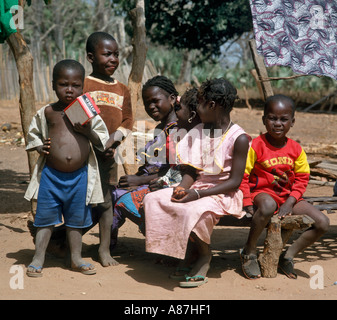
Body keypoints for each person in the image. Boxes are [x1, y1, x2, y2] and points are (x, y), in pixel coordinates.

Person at [143, 78, 251, 287]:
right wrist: (183, 188)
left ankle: (203, 256)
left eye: (199, 103)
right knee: (153, 200)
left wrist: (198, 195)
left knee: (193, 211)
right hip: (198, 188)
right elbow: (192, 171)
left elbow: (235, 182)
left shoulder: (239, 138)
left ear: (211, 105)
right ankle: (183, 251)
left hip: (223, 194)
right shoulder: (199, 131)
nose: (196, 109)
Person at [49, 31, 133, 266]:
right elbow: (72, 113)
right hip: (82, 153)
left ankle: (104, 249)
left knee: (106, 203)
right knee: (78, 202)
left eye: (116, 54)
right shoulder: (81, 84)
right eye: (107, 54)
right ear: (90, 57)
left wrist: (112, 142)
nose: (113, 59)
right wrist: (93, 141)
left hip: (108, 155)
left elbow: (128, 121)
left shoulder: (123, 90)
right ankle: (61, 241)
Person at [24, 59, 109, 277]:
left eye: (75, 85)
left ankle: (76, 258)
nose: (69, 90)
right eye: (63, 84)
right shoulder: (49, 112)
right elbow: (33, 134)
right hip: (51, 177)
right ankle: (38, 257)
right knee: (44, 219)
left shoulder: (85, 113)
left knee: (76, 220)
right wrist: (39, 145)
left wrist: (88, 131)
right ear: (53, 85)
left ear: (82, 87)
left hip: (80, 177)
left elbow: (102, 141)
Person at [239, 94, 330, 279]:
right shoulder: (256, 145)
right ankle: (249, 251)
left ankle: (287, 256)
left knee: (322, 223)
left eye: (283, 119)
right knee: (268, 205)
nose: (278, 123)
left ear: (292, 121)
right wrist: (247, 201)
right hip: (262, 193)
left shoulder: (296, 149)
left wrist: (290, 202)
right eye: (272, 118)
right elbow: (244, 175)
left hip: (287, 197)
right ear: (264, 120)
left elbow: (302, 179)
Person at [110, 75, 181, 249]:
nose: (151, 107)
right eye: (147, 103)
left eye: (155, 101)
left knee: (118, 199)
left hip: (164, 184)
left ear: (172, 99)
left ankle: (163, 244)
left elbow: (175, 170)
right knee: (109, 195)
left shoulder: (177, 130)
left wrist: (139, 180)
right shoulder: (160, 128)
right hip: (150, 180)